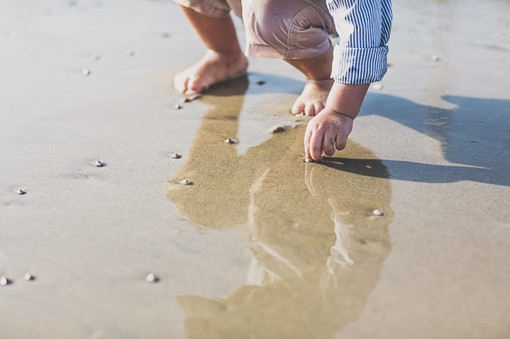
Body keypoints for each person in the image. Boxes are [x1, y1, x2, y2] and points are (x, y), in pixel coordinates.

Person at [172, 0, 392, 162]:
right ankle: (223, 53)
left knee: (272, 17)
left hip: (336, 11)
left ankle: (322, 78)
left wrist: (340, 110)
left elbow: (364, 31)